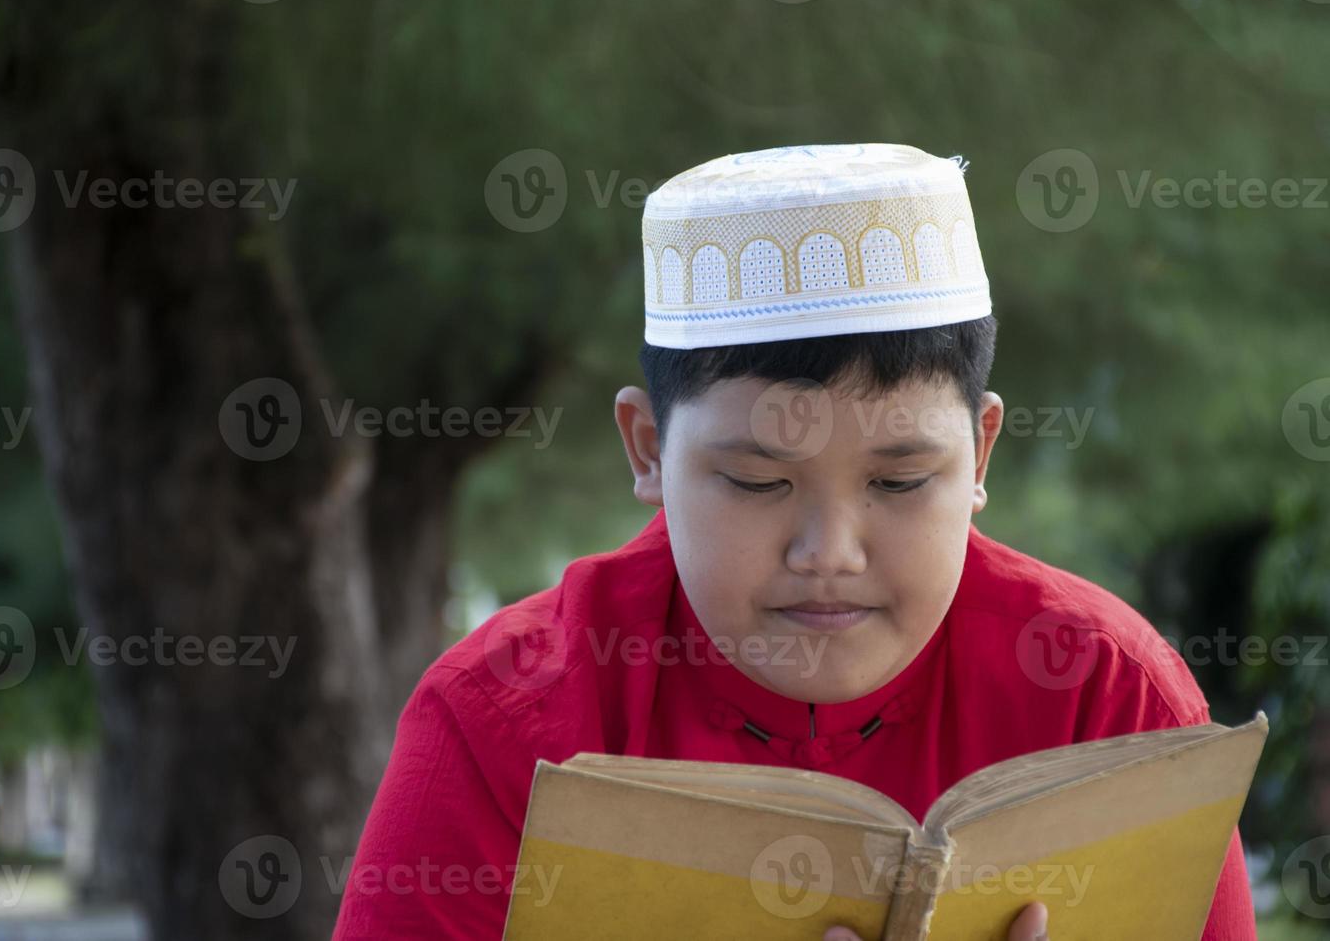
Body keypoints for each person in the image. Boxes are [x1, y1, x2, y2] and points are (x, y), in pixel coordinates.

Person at [330, 144, 1255, 940]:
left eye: (898, 483)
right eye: (757, 482)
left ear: (979, 452)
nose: (829, 552)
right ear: (647, 448)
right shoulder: (506, 719)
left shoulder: (1102, 695)